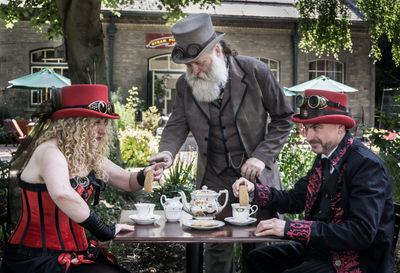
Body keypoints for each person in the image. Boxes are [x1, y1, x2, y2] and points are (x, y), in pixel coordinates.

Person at [147, 13, 294, 273]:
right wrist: (167, 153)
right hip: (213, 180)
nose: (194, 71)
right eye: (189, 66)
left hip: (257, 178)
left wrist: (261, 156)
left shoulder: (255, 71)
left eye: (199, 63)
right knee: (215, 249)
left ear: (216, 51)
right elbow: (177, 124)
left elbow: (284, 118)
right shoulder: (185, 85)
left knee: (261, 247)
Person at [0, 84, 165, 273]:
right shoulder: (49, 152)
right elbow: (63, 194)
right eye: (96, 122)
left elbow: (128, 181)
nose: (103, 130)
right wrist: (104, 230)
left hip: (76, 254)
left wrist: (146, 174)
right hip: (37, 257)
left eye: (105, 123)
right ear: (73, 123)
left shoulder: (87, 157)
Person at [232, 89, 395, 273]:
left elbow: (360, 233)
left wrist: (290, 228)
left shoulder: (366, 166)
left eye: (316, 127)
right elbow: (295, 199)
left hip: (355, 262)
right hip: (322, 251)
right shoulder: (325, 158)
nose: (308, 136)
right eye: (307, 128)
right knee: (258, 259)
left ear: (340, 127)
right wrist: (255, 190)